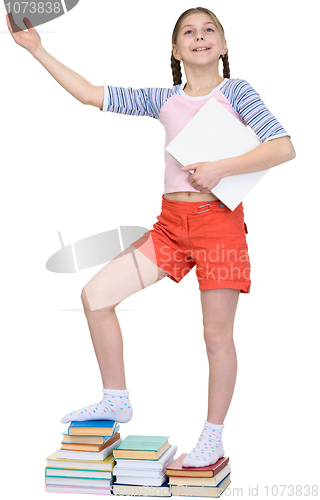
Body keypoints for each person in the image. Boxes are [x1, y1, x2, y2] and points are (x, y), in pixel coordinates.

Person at [6, 7, 295, 467]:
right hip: (171, 227)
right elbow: (92, 95)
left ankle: (212, 436)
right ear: (176, 51)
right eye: (188, 32)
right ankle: (116, 398)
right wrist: (39, 50)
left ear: (222, 45)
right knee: (96, 295)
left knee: (216, 335)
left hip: (219, 226)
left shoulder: (237, 91)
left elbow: (282, 146)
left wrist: (221, 168)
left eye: (209, 30)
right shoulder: (164, 98)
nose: (199, 37)